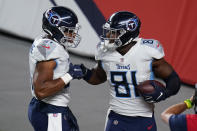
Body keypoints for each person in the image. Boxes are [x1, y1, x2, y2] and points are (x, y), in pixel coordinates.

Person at [79, 11, 181, 131]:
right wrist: (83, 72)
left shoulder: (146, 51)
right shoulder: (104, 52)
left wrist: (164, 93)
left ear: (128, 33)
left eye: (114, 33)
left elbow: (173, 79)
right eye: (109, 31)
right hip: (117, 117)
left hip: (143, 118)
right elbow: (98, 77)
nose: (109, 36)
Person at [28, 6, 84, 131]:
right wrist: (69, 75)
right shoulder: (51, 51)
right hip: (50, 109)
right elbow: (41, 91)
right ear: (55, 29)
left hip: (46, 107)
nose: (73, 34)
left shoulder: (45, 41)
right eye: (69, 30)